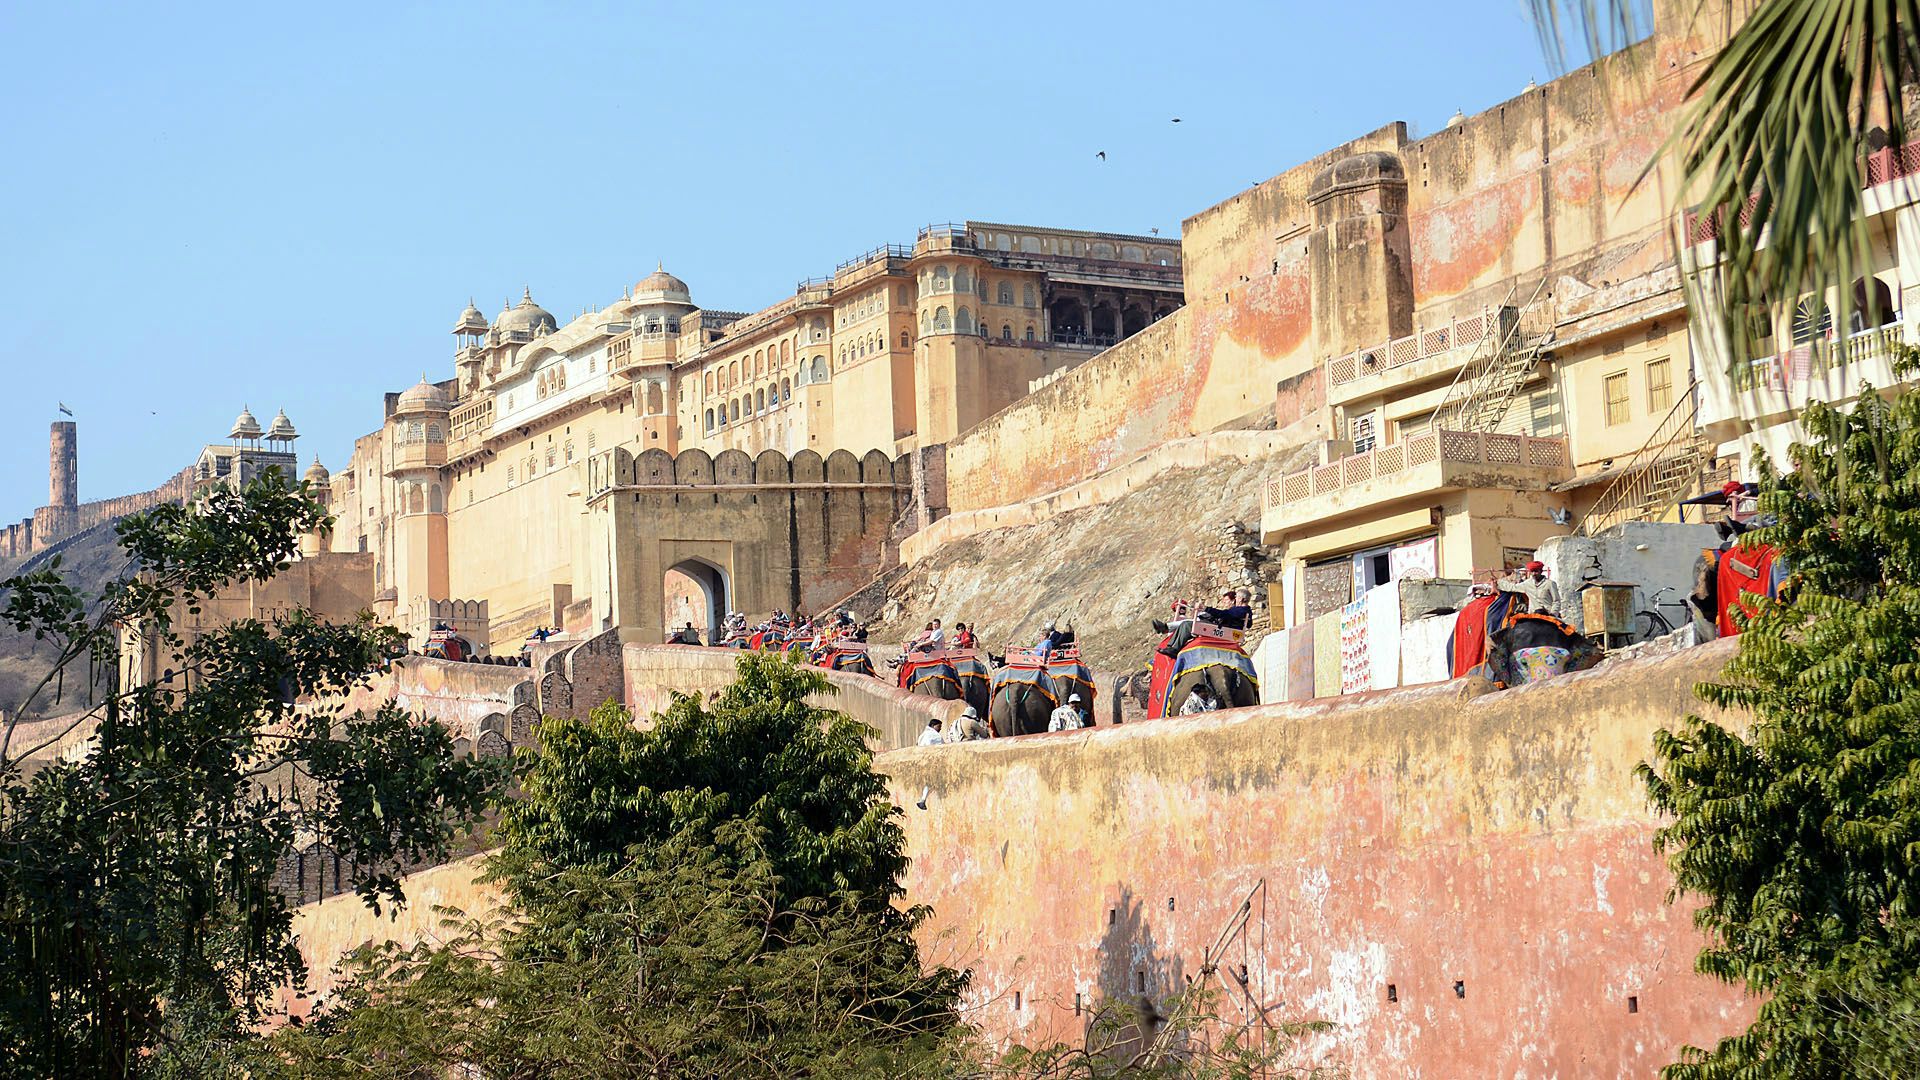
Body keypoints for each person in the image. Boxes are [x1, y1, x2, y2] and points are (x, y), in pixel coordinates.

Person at [1498, 560, 1565, 619]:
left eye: (1536, 571)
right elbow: (1513, 587)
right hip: (1533, 615)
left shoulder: (1550, 584)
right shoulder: (1528, 583)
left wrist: (1553, 614)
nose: (1534, 574)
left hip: (1549, 615)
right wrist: (1498, 582)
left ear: (1541, 571)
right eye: (1532, 571)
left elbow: (1556, 601)